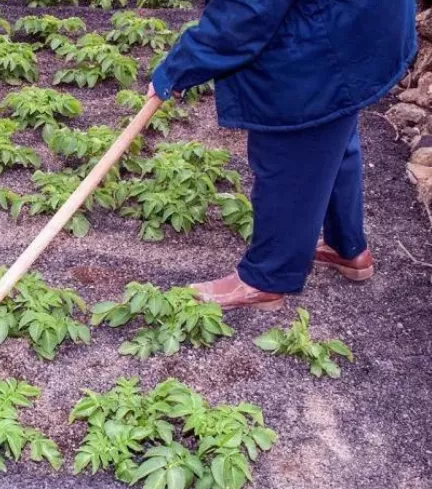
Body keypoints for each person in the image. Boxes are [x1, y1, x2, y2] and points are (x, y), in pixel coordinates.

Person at [151, 0, 416, 310]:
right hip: (363, 19)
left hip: (337, 27)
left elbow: (247, 10)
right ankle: (346, 246)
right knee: (330, 122)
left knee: (290, 131)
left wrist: (177, 68)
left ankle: (266, 277)